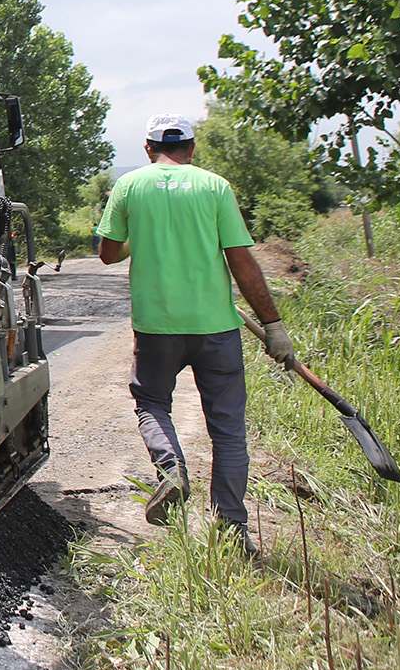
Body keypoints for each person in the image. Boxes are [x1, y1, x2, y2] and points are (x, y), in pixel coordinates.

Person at [98, 113, 293, 547]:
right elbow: (242, 262)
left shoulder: (130, 186)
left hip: (156, 330)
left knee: (151, 403)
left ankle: (171, 470)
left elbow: (108, 254)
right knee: (227, 431)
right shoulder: (214, 186)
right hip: (216, 329)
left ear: (148, 149)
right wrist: (273, 325)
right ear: (191, 148)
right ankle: (232, 531)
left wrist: (137, 239)